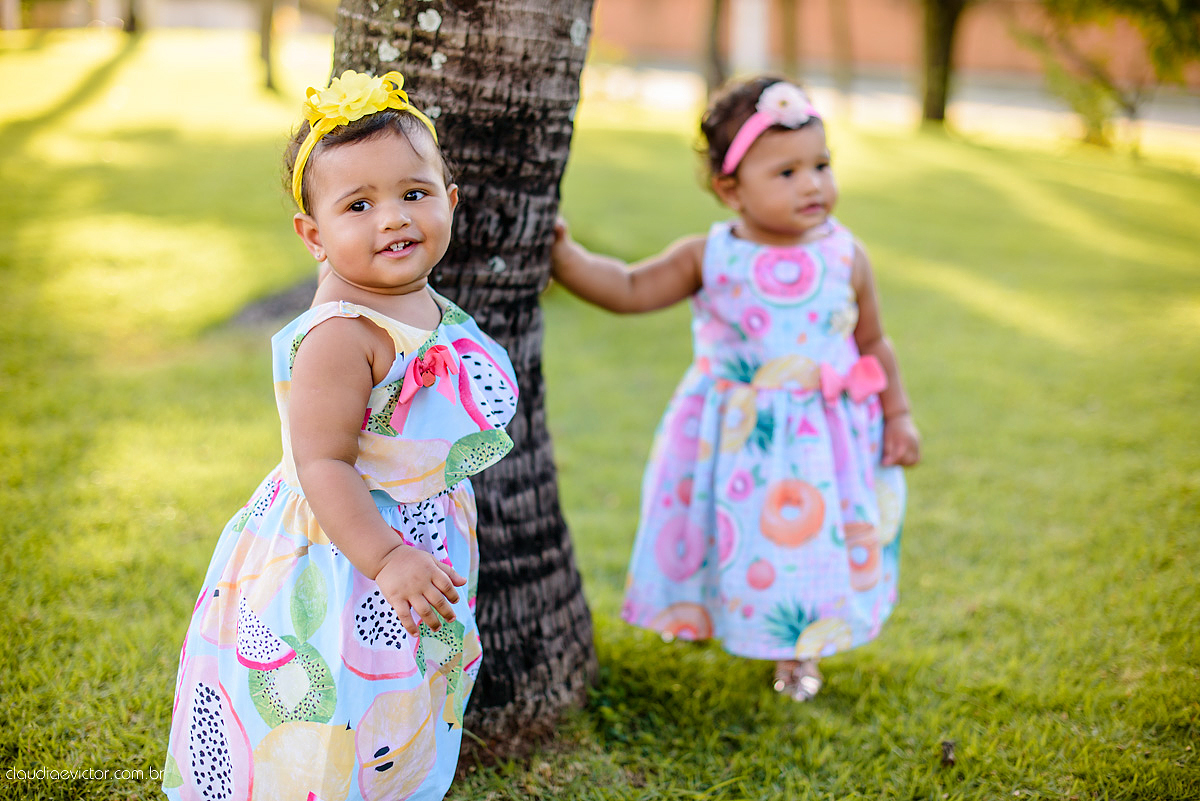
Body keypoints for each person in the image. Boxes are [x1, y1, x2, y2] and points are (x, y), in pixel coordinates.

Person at [163, 70, 519, 800]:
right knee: (332, 692)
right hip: (342, 548)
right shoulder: (341, 331)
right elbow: (320, 459)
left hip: (414, 539)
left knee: (396, 694)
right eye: (359, 205)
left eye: (413, 194)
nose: (393, 219)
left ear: (449, 202)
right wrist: (387, 557)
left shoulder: (413, 295)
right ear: (314, 236)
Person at [550, 76, 919, 701]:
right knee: (730, 534)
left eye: (822, 165)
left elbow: (874, 342)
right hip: (731, 437)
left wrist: (900, 414)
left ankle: (798, 653)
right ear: (730, 189)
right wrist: (567, 258)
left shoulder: (845, 255)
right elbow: (631, 287)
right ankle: (711, 617)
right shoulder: (709, 255)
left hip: (820, 443)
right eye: (787, 172)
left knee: (808, 547)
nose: (813, 184)